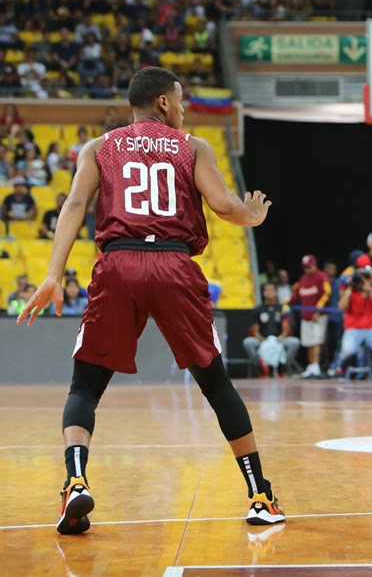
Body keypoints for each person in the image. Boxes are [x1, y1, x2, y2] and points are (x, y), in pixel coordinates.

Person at [16, 67, 285, 534]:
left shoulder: (98, 148)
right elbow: (223, 206)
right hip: (173, 264)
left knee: (84, 388)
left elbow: (75, 207)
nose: (183, 107)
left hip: (119, 265)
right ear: (163, 102)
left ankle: (75, 483)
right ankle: (259, 495)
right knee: (217, 385)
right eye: (180, 99)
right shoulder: (193, 147)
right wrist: (254, 216)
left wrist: (53, 276)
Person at [333, 266, 372, 378]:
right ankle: (342, 367)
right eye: (362, 278)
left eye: (366, 278)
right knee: (348, 351)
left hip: (371, 329)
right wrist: (349, 288)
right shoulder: (351, 292)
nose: (363, 281)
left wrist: (369, 290)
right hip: (353, 328)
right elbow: (341, 307)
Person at [243, 282, 300, 378]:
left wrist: (280, 339)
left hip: (279, 339)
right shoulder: (258, 309)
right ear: (263, 293)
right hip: (262, 340)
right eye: (266, 290)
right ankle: (260, 367)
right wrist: (264, 341)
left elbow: (286, 328)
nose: (269, 292)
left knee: (294, 342)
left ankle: (284, 367)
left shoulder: (283, 308)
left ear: (276, 292)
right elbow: (255, 331)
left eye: (271, 290)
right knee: (247, 342)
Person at [288, 254, 331, 379]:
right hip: (305, 316)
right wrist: (286, 301)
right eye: (305, 267)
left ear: (314, 265)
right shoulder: (302, 279)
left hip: (318, 316)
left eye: (309, 267)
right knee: (308, 342)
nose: (307, 269)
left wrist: (318, 310)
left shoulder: (322, 277)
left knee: (316, 341)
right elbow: (295, 295)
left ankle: (316, 365)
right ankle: (311, 366)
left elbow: (327, 293)